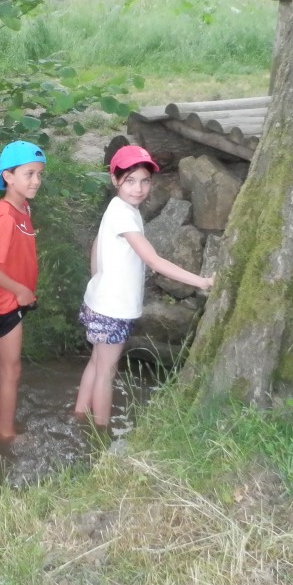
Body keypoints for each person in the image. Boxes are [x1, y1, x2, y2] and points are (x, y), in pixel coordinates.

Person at [73, 147, 214, 428]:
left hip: (99, 301)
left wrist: (98, 282)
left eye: (145, 181)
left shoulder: (117, 208)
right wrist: (202, 281)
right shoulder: (125, 216)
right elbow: (153, 261)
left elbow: (96, 246)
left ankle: (80, 414)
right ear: (115, 180)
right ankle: (100, 433)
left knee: (97, 363)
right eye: (130, 180)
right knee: (106, 372)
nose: (138, 189)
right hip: (113, 309)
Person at [0, 140, 46, 443]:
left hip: (12, 298)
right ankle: (6, 433)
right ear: (8, 176)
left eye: (40, 174)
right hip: (3, 301)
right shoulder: (6, 216)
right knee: (12, 369)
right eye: (29, 174)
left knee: (4, 366)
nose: (36, 181)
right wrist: (20, 290)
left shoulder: (22, 207)